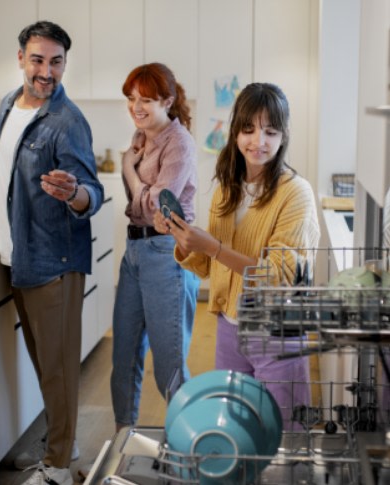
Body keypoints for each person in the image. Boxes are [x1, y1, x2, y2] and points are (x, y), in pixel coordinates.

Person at [0, 21, 103, 485]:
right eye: (38, 59)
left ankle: (57, 467)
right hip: (20, 258)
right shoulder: (9, 107)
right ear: (20, 58)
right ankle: (63, 441)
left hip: (55, 262)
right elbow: (0, 178)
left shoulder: (68, 122)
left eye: (56, 61)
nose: (46, 71)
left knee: (57, 370)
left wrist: (73, 192)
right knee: (44, 365)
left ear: (64, 64)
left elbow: (89, 191)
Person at [154, 82, 320, 430]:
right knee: (236, 430)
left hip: (278, 331)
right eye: (248, 130)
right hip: (230, 326)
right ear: (235, 131)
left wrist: (212, 246)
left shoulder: (296, 194)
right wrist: (182, 238)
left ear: (283, 135)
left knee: (285, 433)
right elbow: (209, 266)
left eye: (270, 131)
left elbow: (279, 275)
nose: (258, 141)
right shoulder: (228, 188)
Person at [110, 63, 200, 432]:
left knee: (169, 363)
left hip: (167, 253)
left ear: (168, 100)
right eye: (132, 99)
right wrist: (131, 165)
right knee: (124, 354)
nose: (137, 107)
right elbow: (139, 205)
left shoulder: (180, 142)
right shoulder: (141, 136)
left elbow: (161, 202)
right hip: (135, 252)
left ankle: (194, 443)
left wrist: (128, 170)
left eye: (146, 99)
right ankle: (121, 440)